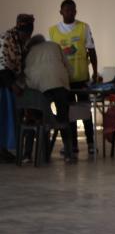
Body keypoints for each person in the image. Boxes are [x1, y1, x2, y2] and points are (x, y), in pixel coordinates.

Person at [49, 0, 98, 155]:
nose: (70, 12)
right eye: (67, 10)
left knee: (85, 111)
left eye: (72, 10)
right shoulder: (53, 31)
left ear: (76, 11)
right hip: (64, 80)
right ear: (61, 12)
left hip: (82, 78)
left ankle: (90, 143)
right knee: (68, 113)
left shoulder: (84, 27)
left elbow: (92, 51)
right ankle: (72, 145)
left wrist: (95, 72)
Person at [23, 34, 75, 163]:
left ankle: (28, 154)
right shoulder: (54, 45)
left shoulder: (29, 51)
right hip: (59, 83)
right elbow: (69, 67)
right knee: (63, 119)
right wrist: (67, 80)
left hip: (38, 88)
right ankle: (69, 153)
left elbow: (26, 73)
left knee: (36, 118)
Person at [0, 14, 34, 163]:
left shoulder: (21, 41)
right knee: (3, 118)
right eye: (25, 33)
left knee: (8, 119)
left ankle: (4, 150)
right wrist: (13, 86)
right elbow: (2, 65)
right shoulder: (7, 39)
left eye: (29, 33)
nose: (27, 36)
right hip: (3, 84)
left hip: (9, 84)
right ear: (19, 29)